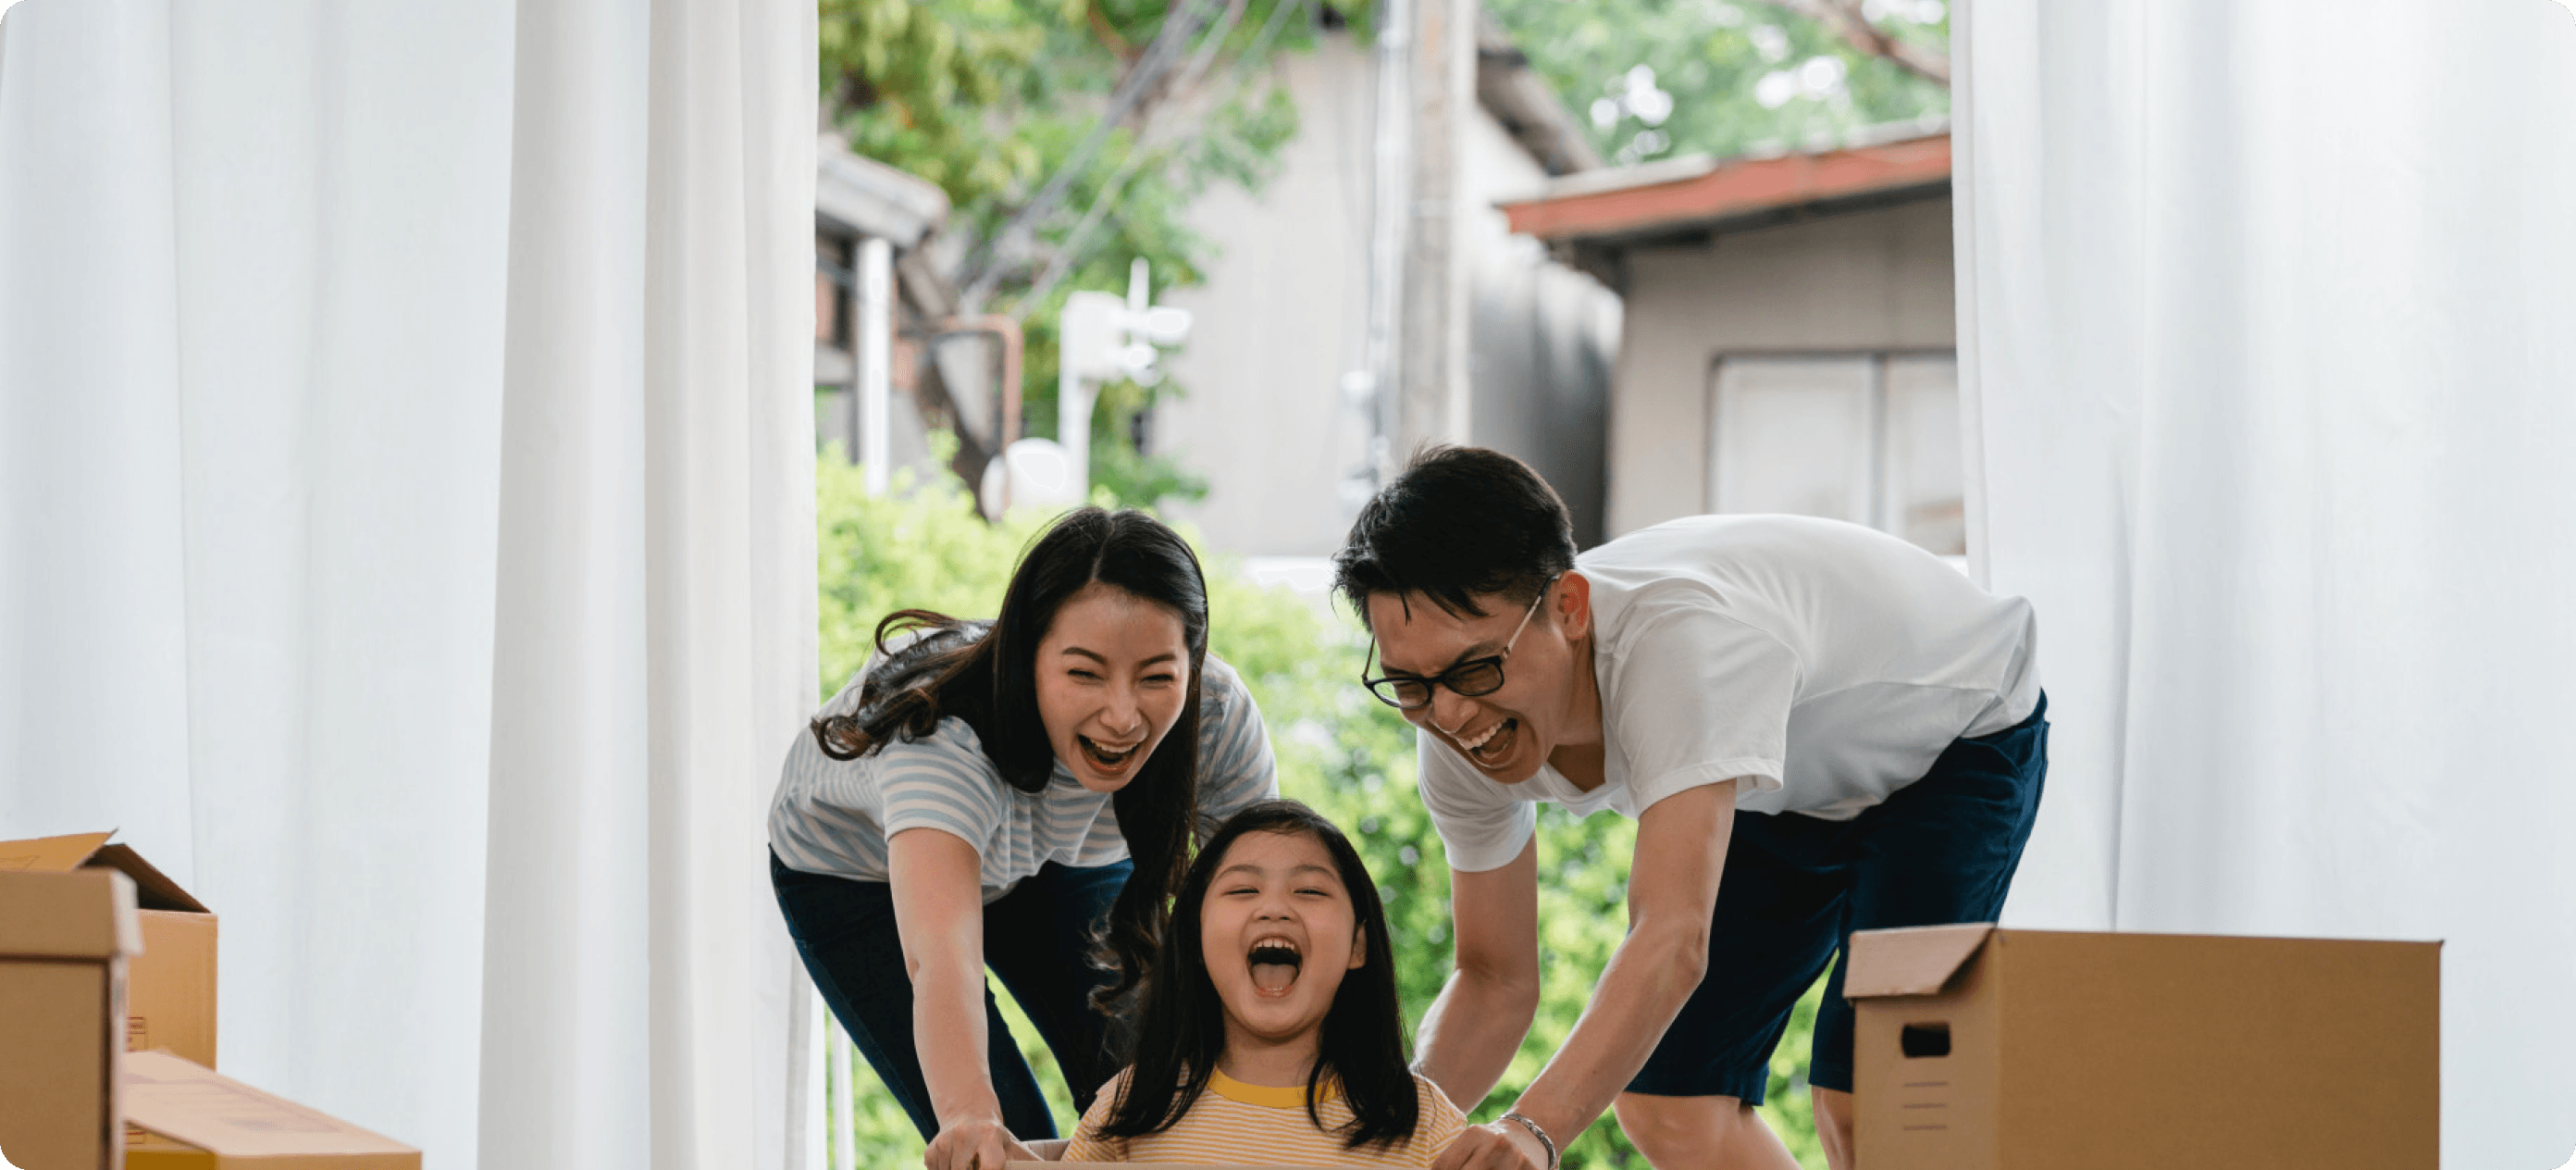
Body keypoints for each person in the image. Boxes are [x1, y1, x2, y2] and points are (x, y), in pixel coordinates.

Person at [1332, 447, 2047, 1170]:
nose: (1450, 714)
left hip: (1953, 735)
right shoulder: (1452, 724)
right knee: (1670, 1104)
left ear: (1569, 608)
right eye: (1409, 684)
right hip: (1785, 781)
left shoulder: (1680, 649)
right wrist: (1378, 1138)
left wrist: (1531, 1130)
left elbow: (1673, 937)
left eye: (1475, 668)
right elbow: (1494, 980)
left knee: (1872, 1099)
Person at [768, 507, 1277, 1170]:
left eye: (1157, 676)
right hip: (854, 877)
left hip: (1054, 857)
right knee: (1004, 1140)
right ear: (1026, 655)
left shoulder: (1215, 716)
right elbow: (939, 956)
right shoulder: (941, 739)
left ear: (1194, 662)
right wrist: (970, 1117)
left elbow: (1267, 907)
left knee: (1161, 1106)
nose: (1122, 716)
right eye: (1084, 674)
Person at [1062, 800, 1469, 1166]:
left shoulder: (1426, 1124)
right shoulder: (1131, 1104)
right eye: (1243, 889)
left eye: (1309, 890)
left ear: (1357, 946)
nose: (1274, 908)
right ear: (1196, 941)